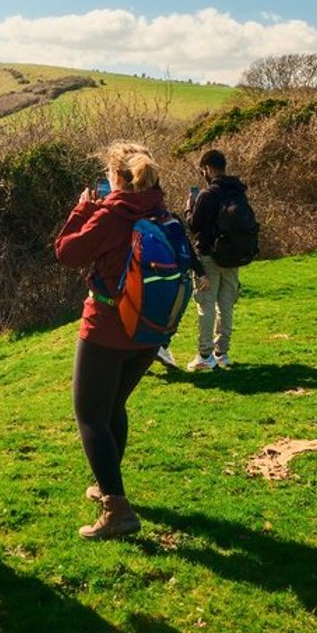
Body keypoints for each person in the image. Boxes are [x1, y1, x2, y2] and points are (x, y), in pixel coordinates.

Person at [55, 142, 207, 539]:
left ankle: (116, 508)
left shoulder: (111, 216)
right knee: (113, 407)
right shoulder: (163, 214)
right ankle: (108, 484)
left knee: (90, 415)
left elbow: (67, 252)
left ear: (117, 178)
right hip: (149, 332)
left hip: (106, 327)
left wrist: (82, 210)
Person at [180, 149, 249, 370]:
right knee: (226, 305)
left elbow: (194, 226)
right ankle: (222, 352)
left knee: (206, 304)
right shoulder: (238, 191)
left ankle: (205, 355)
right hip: (233, 256)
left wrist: (189, 207)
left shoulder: (208, 194)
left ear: (208, 169)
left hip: (209, 255)